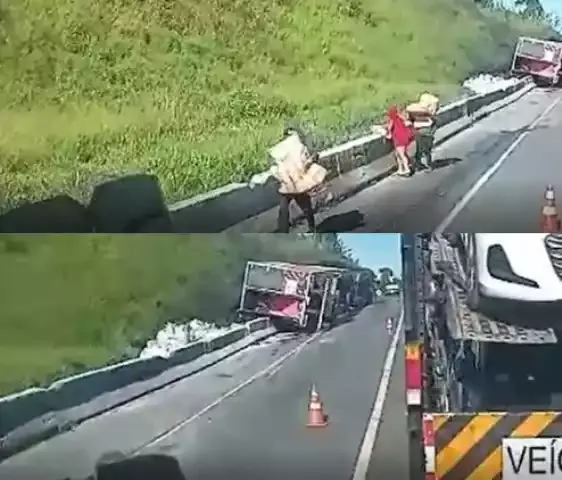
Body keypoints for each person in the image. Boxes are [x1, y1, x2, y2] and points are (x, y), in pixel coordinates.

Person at [268, 128, 327, 233]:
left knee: (284, 209)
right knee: (305, 206)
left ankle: (284, 232)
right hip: (298, 182)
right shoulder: (300, 147)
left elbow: (274, 164)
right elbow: (306, 162)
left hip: (287, 182)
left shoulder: (281, 148)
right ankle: (312, 229)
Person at [407, 93, 439, 172]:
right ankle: (426, 164)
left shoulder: (415, 112)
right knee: (426, 150)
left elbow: (410, 119)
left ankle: (420, 164)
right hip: (426, 133)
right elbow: (434, 124)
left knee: (420, 150)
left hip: (419, 132)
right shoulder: (429, 113)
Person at [385, 105, 415, 177]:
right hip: (404, 138)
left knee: (402, 155)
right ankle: (400, 169)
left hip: (398, 139)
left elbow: (389, 128)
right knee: (398, 154)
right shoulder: (401, 118)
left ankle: (407, 169)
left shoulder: (393, 119)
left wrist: (386, 132)